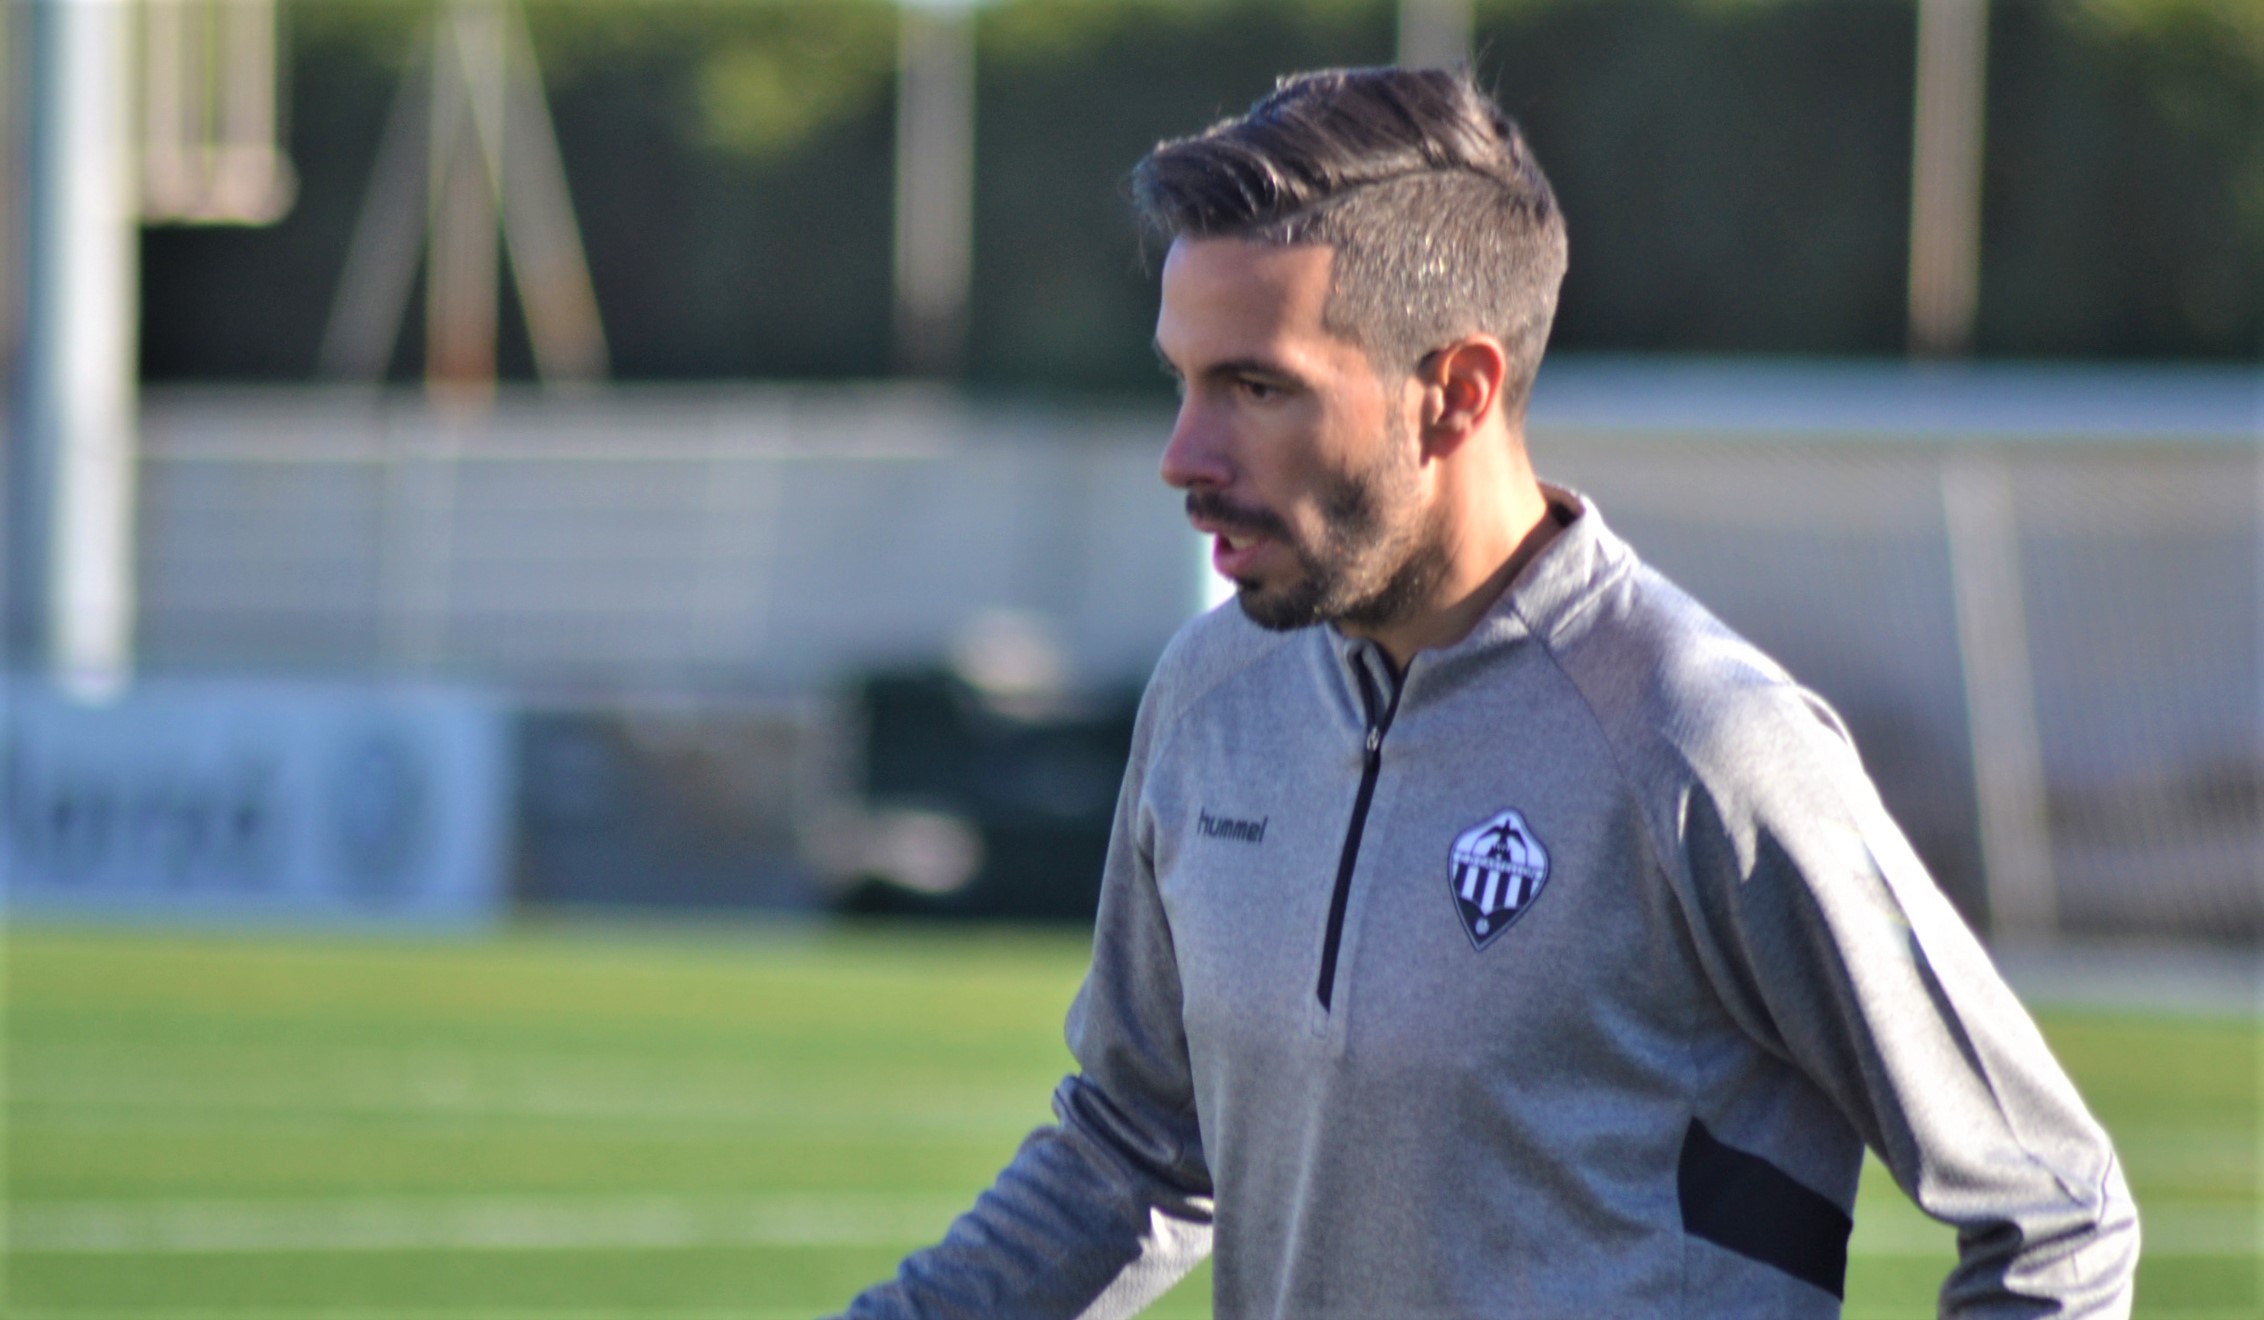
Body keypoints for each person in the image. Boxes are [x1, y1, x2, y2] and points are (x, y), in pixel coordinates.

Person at [836, 66, 2138, 1319]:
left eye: (1256, 387)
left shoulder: (1700, 740)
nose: (1185, 455)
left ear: (1454, 395)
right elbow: (1133, 1148)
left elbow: (2057, 1216)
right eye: (1183, 380)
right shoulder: (1209, 698)